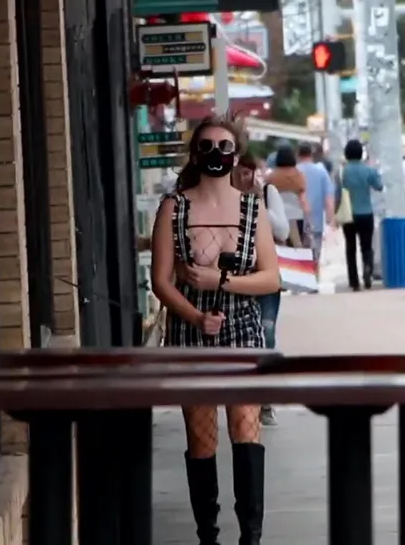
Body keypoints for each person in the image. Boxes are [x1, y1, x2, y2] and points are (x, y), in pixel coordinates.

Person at [151, 116, 280, 545]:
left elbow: (271, 278)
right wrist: (194, 315)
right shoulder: (174, 208)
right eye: (206, 146)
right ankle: (208, 535)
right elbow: (161, 281)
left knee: (245, 427)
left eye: (224, 146)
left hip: (242, 324)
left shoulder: (252, 208)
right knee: (201, 436)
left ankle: (251, 537)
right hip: (191, 330)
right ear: (194, 153)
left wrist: (220, 282)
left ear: (237, 153)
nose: (216, 155)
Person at [234, 153, 288, 427]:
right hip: (237, 277)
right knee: (242, 335)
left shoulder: (268, 192)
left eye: (250, 173)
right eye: (241, 173)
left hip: (265, 276)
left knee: (266, 332)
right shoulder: (226, 196)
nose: (245, 178)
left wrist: (258, 201)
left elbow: (282, 230)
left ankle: (265, 400)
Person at [338, 139, 383, 291]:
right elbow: (379, 186)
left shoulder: (342, 171)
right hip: (366, 212)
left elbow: (337, 193)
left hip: (348, 214)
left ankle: (354, 281)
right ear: (361, 153)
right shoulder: (368, 170)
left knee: (350, 248)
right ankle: (368, 268)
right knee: (366, 246)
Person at [296, 143, 336, 271]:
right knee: (315, 253)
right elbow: (329, 198)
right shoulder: (321, 171)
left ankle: (302, 280)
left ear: (298, 154)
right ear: (311, 154)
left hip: (296, 220)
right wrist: (331, 218)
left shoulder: (294, 171)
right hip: (316, 220)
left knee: (298, 253)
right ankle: (313, 279)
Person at [266, 146, 306, 246]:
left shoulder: (272, 176)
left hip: (277, 215)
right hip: (296, 217)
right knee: (297, 244)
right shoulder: (299, 175)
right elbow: (302, 196)